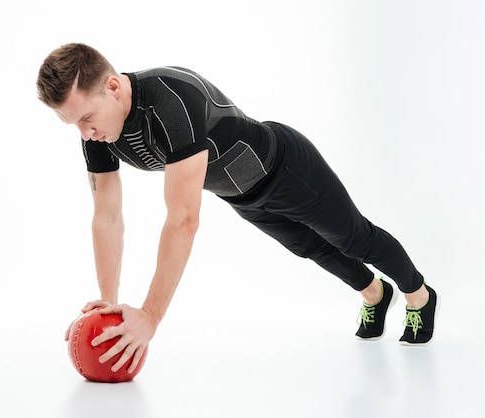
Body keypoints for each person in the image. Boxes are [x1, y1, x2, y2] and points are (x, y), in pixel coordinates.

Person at [36, 43, 438, 374]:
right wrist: (109, 303)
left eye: (87, 118)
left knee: (352, 238)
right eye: (73, 124)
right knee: (311, 248)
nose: (86, 134)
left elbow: (183, 219)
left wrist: (150, 317)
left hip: (287, 169)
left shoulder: (170, 100)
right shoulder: (96, 136)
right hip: (244, 196)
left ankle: (419, 296)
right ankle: (374, 294)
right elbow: (106, 215)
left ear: (112, 86)